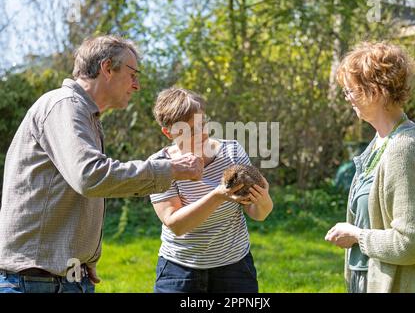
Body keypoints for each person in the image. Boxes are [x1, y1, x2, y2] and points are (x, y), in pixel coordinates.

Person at [0, 35, 203, 293]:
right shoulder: (64, 106)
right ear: (107, 68)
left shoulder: (84, 114)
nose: (137, 85)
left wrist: (81, 258)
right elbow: (91, 176)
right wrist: (171, 169)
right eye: (133, 74)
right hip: (36, 283)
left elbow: (79, 186)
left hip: (59, 280)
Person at [325, 41, 415, 293]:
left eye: (350, 91)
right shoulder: (381, 141)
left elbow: (413, 242)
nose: (348, 99)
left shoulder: (404, 149)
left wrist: (357, 236)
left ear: (374, 91)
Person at [149, 87, 273, 293]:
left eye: (202, 124)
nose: (201, 134)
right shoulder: (160, 165)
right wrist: (217, 195)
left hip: (234, 268)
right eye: (189, 130)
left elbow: (259, 214)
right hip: (179, 271)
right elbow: (176, 225)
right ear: (168, 131)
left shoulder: (232, 151)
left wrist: (263, 199)